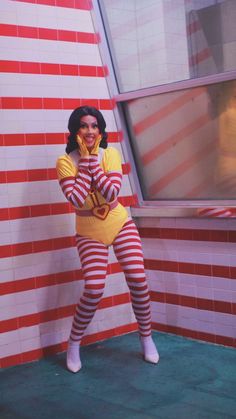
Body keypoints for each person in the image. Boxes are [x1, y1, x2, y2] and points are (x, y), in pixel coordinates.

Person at [56, 106, 159, 373]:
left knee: (138, 278)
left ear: (101, 130)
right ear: (74, 130)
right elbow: (77, 199)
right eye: (83, 126)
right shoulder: (65, 162)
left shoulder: (110, 154)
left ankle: (146, 337)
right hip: (89, 230)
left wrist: (92, 159)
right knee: (93, 289)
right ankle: (74, 343)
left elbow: (112, 191)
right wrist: (88, 160)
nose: (89, 131)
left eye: (94, 126)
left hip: (119, 222)